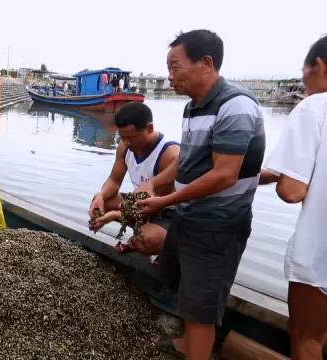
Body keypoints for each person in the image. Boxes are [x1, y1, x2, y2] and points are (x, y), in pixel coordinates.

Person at [136, 30, 265, 360]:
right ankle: (185, 342)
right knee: (177, 279)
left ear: (206, 63)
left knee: (202, 306)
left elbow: (224, 174)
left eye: (175, 67)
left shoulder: (236, 106)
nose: (169, 76)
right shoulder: (193, 108)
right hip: (188, 216)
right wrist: (154, 185)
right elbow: (187, 163)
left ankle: (196, 350)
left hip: (217, 225)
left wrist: (164, 201)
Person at [261, 35, 327, 360]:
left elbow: (292, 189)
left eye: (305, 69)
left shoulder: (314, 108)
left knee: (307, 337)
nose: (303, 78)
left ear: (320, 66)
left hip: (321, 254)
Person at [88, 102, 179, 256]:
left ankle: (166, 246)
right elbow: (114, 181)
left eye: (132, 137)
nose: (127, 142)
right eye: (123, 137)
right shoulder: (125, 147)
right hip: (139, 203)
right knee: (105, 202)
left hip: (165, 212)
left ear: (149, 128)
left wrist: (114, 216)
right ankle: (140, 234)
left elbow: (149, 206)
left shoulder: (169, 154)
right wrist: (100, 196)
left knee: (145, 240)